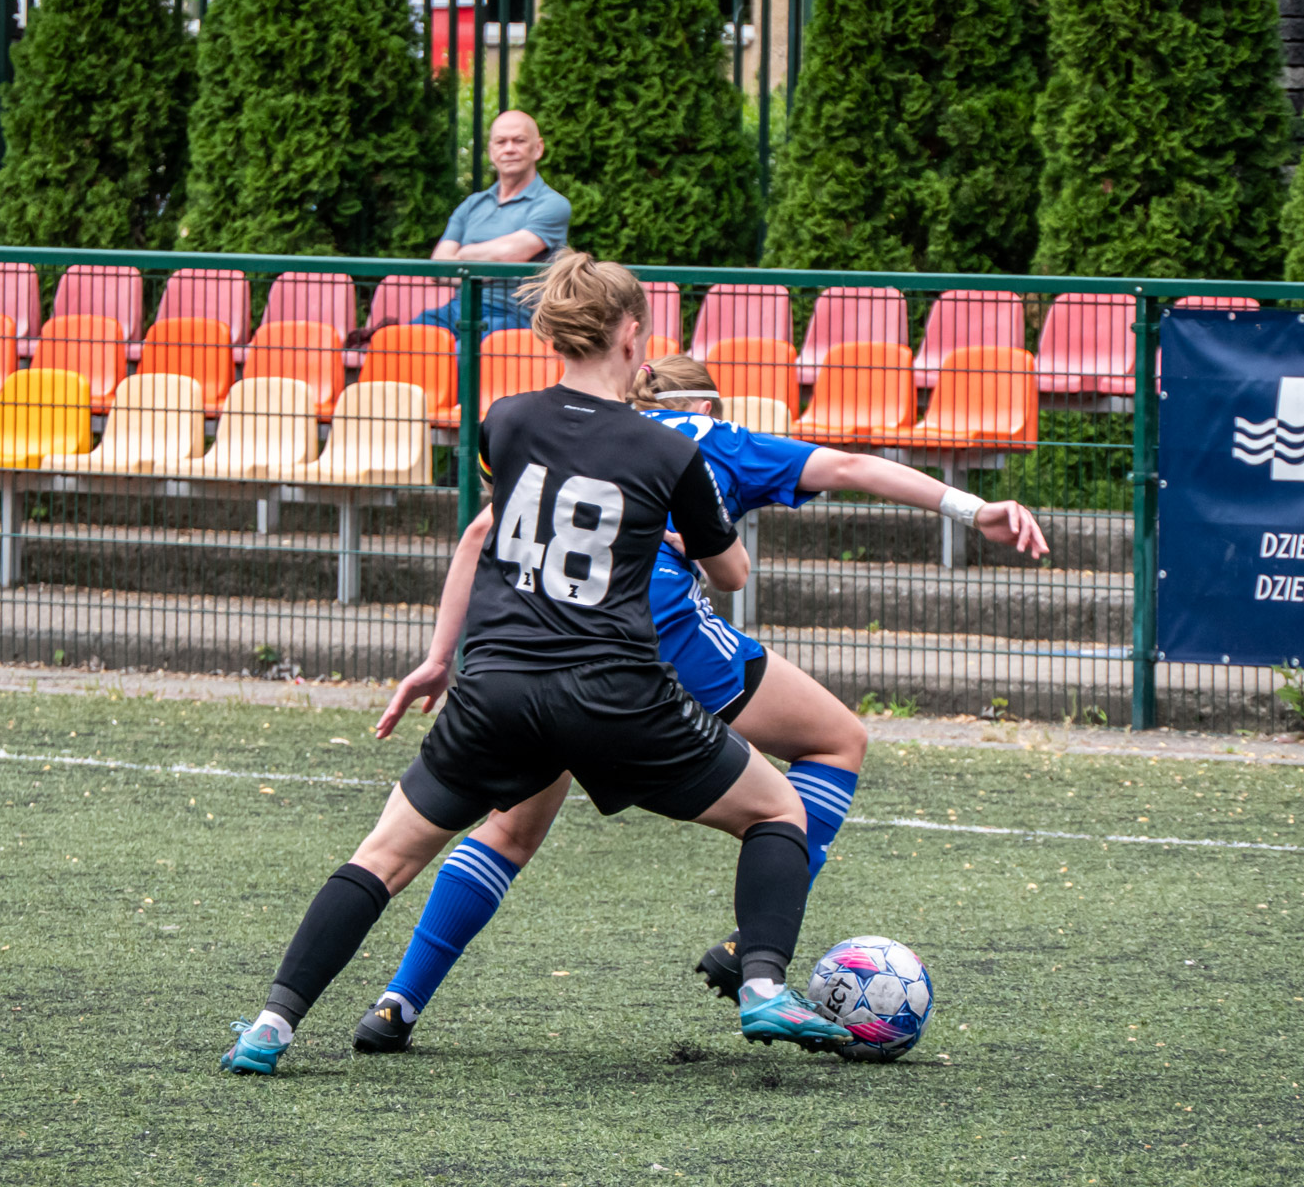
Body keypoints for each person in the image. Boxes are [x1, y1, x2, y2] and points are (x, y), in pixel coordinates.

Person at [220, 255, 854, 1077]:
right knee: (776, 813)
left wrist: (438, 659)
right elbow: (730, 574)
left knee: (383, 856)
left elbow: (507, 521)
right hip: (615, 693)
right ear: (632, 335)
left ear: (555, 334)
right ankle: (763, 984)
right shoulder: (669, 452)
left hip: (498, 687)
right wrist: (679, 530)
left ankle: (271, 1025)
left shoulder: (506, 421)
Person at [351, 355, 1050, 1054]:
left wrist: (440, 657)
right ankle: (755, 948)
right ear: (706, 406)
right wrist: (974, 509)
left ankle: (397, 1004)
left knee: (508, 832)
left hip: (540, 641)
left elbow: (481, 533)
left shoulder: (580, 436)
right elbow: (851, 467)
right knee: (836, 741)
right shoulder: (713, 442)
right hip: (649, 629)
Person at [410, 110, 572, 340]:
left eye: (519, 140)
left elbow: (506, 254)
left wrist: (462, 255)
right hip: (458, 308)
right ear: (491, 151)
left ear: (538, 148)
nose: (509, 149)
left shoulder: (553, 204)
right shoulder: (471, 205)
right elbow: (439, 268)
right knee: (405, 341)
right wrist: (486, 264)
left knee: (465, 354)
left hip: (515, 316)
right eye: (501, 142)